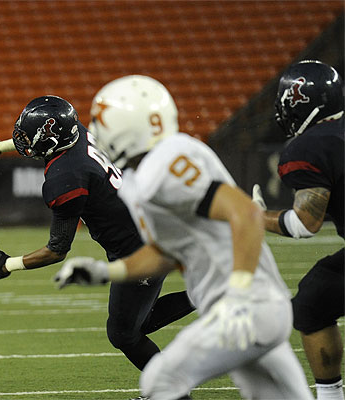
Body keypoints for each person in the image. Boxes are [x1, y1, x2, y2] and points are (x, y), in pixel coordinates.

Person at [53, 75, 314, 400]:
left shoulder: (165, 163)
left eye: (103, 120)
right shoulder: (141, 177)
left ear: (125, 127)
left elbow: (246, 214)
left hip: (245, 310)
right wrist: (106, 272)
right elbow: (167, 253)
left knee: (160, 382)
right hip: (249, 309)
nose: (96, 129)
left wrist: (238, 294)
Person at [0, 96, 195, 378]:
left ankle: (172, 391)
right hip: (149, 225)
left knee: (123, 335)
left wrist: (7, 265)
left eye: (26, 136)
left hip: (141, 248)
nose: (21, 140)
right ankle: (205, 297)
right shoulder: (76, 132)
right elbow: (42, 140)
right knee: (135, 324)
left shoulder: (66, 178)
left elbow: (57, 250)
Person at [252, 60, 343, 400]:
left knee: (312, 303)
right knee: (317, 293)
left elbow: (305, 224)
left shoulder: (309, 147)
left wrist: (257, 217)